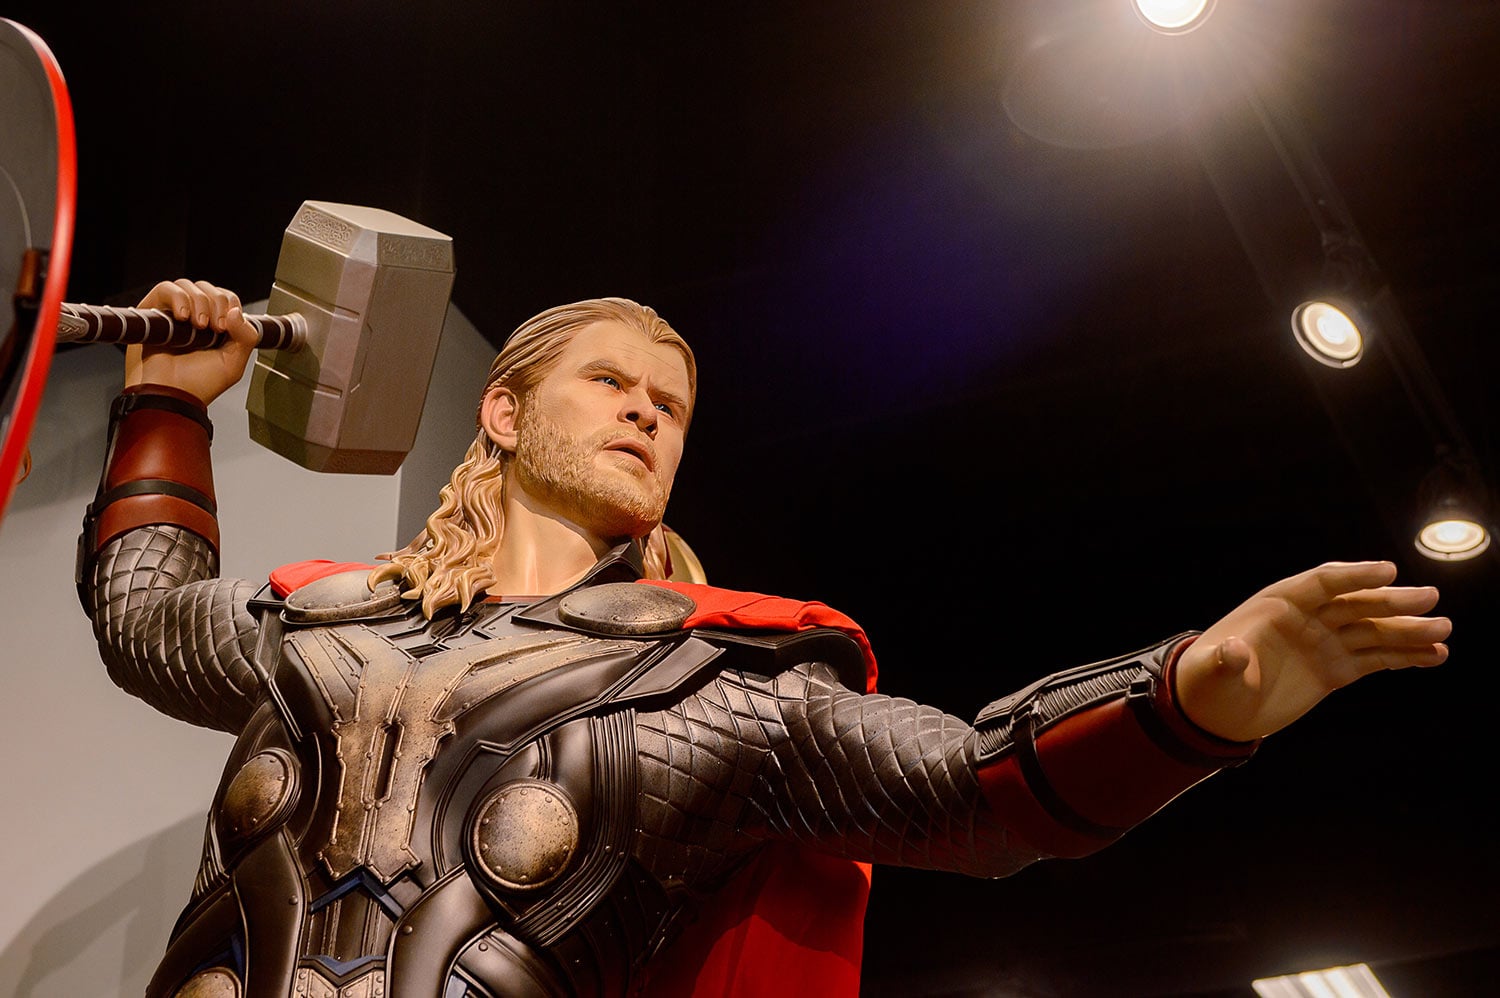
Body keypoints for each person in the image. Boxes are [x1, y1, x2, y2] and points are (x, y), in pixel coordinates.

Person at [78, 279, 1450, 998]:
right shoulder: (319, 621)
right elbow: (142, 619)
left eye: (669, 406)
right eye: (609, 381)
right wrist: (167, 402)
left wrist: (1188, 700)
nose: (645, 412)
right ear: (503, 413)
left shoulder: (716, 687)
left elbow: (975, 790)